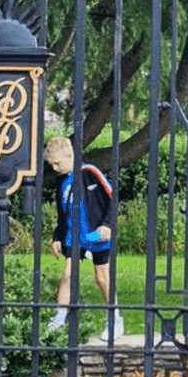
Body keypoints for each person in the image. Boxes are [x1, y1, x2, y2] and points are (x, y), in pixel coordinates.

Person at [44, 135, 124, 340]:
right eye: (51, 164)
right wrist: (57, 237)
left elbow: (113, 198)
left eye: (57, 163)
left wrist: (107, 225)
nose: (54, 168)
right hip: (75, 235)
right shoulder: (61, 181)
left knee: (102, 277)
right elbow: (62, 213)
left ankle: (114, 318)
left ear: (70, 156)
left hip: (97, 233)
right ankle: (60, 318)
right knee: (68, 275)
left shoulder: (90, 172)